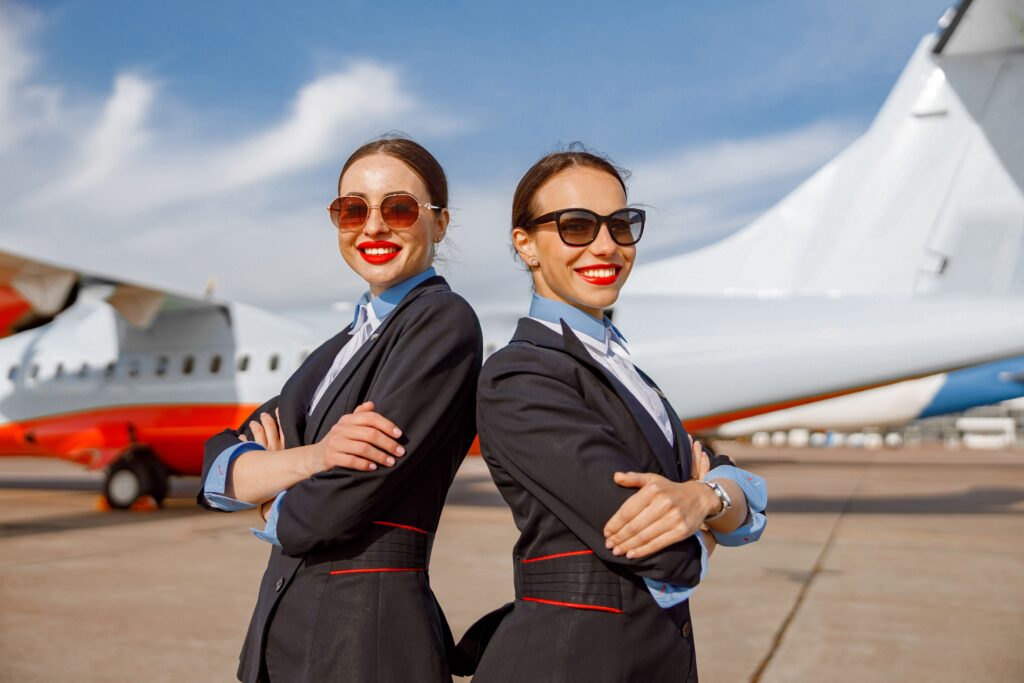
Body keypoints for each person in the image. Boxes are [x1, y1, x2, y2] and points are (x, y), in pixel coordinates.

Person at [465, 146, 767, 681]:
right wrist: (716, 509)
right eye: (576, 226)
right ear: (526, 245)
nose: (606, 245)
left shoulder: (625, 370)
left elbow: (732, 482)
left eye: (621, 224)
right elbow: (668, 555)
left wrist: (704, 497)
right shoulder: (520, 375)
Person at [197, 136, 482, 683]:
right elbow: (218, 464)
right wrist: (315, 458)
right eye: (353, 210)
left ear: (440, 223)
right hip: (284, 640)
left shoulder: (442, 321)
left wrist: (269, 496)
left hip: (365, 647)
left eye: (399, 209)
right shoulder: (337, 349)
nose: (373, 227)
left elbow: (336, 504)